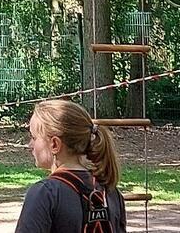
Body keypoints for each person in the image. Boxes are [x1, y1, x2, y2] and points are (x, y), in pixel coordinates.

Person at [15, 98, 127, 233]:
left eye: (34, 138)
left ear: (54, 144)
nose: (30, 145)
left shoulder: (45, 193)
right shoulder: (111, 193)